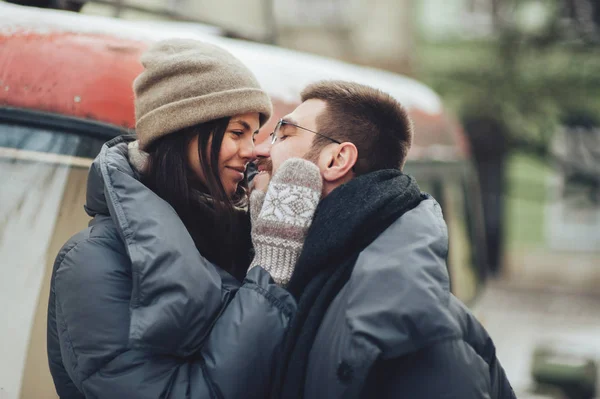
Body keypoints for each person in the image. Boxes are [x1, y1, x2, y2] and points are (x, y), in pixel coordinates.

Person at [46, 39, 321, 399]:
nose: (253, 150)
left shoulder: (229, 236)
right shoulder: (94, 261)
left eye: (254, 135)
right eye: (237, 132)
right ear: (182, 131)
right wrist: (268, 273)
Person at [250, 80, 516, 399]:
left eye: (284, 133)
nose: (259, 149)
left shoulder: (404, 314)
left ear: (337, 159)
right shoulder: (314, 271)